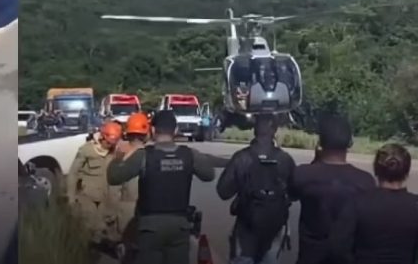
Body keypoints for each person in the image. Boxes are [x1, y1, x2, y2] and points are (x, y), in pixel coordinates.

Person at [107, 110, 216, 264]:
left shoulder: (144, 156)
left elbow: (114, 178)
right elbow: (209, 175)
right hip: (179, 226)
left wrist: (117, 157)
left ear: (152, 130)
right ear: (176, 130)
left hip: (150, 228)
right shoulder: (189, 155)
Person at [289, 114, 375, 264]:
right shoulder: (365, 181)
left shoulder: (303, 174)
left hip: (310, 257)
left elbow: (291, 195)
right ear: (350, 143)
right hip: (348, 258)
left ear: (320, 142)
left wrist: (316, 161)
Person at [216, 113, 295, 264]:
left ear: (254, 130)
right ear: (275, 130)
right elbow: (295, 193)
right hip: (275, 226)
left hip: (246, 226)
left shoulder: (242, 157)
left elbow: (223, 191)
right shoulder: (285, 159)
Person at [332, 143, 418, 264]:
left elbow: (338, 247)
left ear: (376, 170)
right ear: (406, 172)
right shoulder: (415, 205)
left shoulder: (357, 202)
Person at [67, 121, 124, 248]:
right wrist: (71, 197)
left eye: (113, 144)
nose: (110, 146)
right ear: (102, 137)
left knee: (109, 226)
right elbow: (73, 173)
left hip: (107, 196)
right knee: (93, 227)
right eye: (108, 143)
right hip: (88, 196)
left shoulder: (116, 151)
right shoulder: (86, 150)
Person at [117, 112, 152, 262]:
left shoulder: (120, 150)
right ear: (147, 133)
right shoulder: (150, 154)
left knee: (128, 252)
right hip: (146, 210)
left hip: (124, 208)